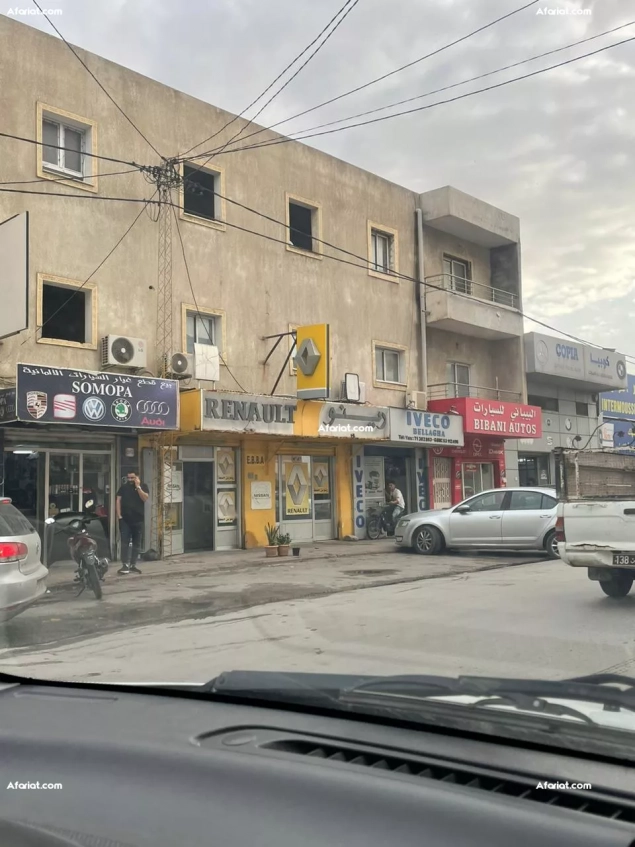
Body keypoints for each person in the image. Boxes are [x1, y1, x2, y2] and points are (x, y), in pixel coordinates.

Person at [116, 472, 149, 575]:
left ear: (137, 478)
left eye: (132, 478)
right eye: (128, 478)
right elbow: (118, 501)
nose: (130, 480)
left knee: (137, 543)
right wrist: (119, 516)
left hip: (138, 519)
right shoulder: (123, 488)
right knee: (125, 543)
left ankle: (133, 564)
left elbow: (145, 498)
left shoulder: (143, 486)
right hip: (125, 520)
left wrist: (138, 486)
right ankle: (125, 564)